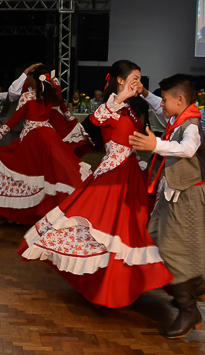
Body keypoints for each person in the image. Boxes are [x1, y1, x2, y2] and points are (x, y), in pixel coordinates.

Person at [20, 60, 173, 307]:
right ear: (121, 80)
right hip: (114, 174)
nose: (138, 82)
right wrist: (120, 97)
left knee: (128, 230)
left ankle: (120, 283)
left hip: (132, 171)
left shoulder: (130, 108)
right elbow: (95, 118)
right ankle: (107, 287)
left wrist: (139, 95)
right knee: (109, 227)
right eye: (134, 78)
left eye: (140, 78)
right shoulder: (111, 105)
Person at [131, 74, 205, 339]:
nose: (162, 104)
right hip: (170, 194)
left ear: (180, 100)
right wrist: (145, 93)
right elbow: (159, 106)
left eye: (165, 99)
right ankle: (196, 283)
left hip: (187, 196)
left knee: (173, 253)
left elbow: (187, 149)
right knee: (154, 241)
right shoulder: (177, 116)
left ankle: (189, 311)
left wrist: (155, 144)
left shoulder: (191, 125)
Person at [0, 65, 91, 225]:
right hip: (49, 136)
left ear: (33, 79)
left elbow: (15, 119)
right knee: (51, 173)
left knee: (26, 172)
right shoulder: (51, 95)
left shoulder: (27, 97)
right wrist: (70, 119)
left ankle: (26, 213)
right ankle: (49, 212)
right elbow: (61, 107)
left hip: (33, 137)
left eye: (29, 77)